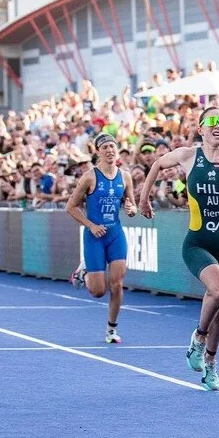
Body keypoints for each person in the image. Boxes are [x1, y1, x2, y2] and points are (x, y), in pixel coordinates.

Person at [139, 108, 219, 391]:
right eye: (212, 121)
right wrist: (143, 199)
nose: (218, 126)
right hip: (198, 242)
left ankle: (211, 363)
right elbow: (157, 164)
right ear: (201, 128)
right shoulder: (189, 155)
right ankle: (199, 337)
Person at [66, 133, 137, 344]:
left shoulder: (125, 177)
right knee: (98, 291)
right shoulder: (90, 177)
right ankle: (84, 271)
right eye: (105, 147)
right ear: (98, 152)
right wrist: (91, 225)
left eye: (112, 146)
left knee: (117, 284)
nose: (109, 150)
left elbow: (131, 205)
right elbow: (71, 207)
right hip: (94, 235)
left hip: (115, 234)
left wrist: (131, 209)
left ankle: (111, 329)